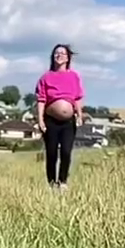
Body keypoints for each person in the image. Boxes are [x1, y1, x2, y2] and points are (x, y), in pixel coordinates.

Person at [35, 45, 85, 191]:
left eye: (62, 53)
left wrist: (80, 115)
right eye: (56, 53)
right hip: (51, 120)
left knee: (66, 151)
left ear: (68, 58)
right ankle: (51, 183)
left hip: (68, 121)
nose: (59, 55)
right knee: (51, 153)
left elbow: (77, 98)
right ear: (52, 56)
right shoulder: (46, 77)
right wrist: (40, 120)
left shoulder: (74, 76)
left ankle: (63, 182)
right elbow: (41, 100)